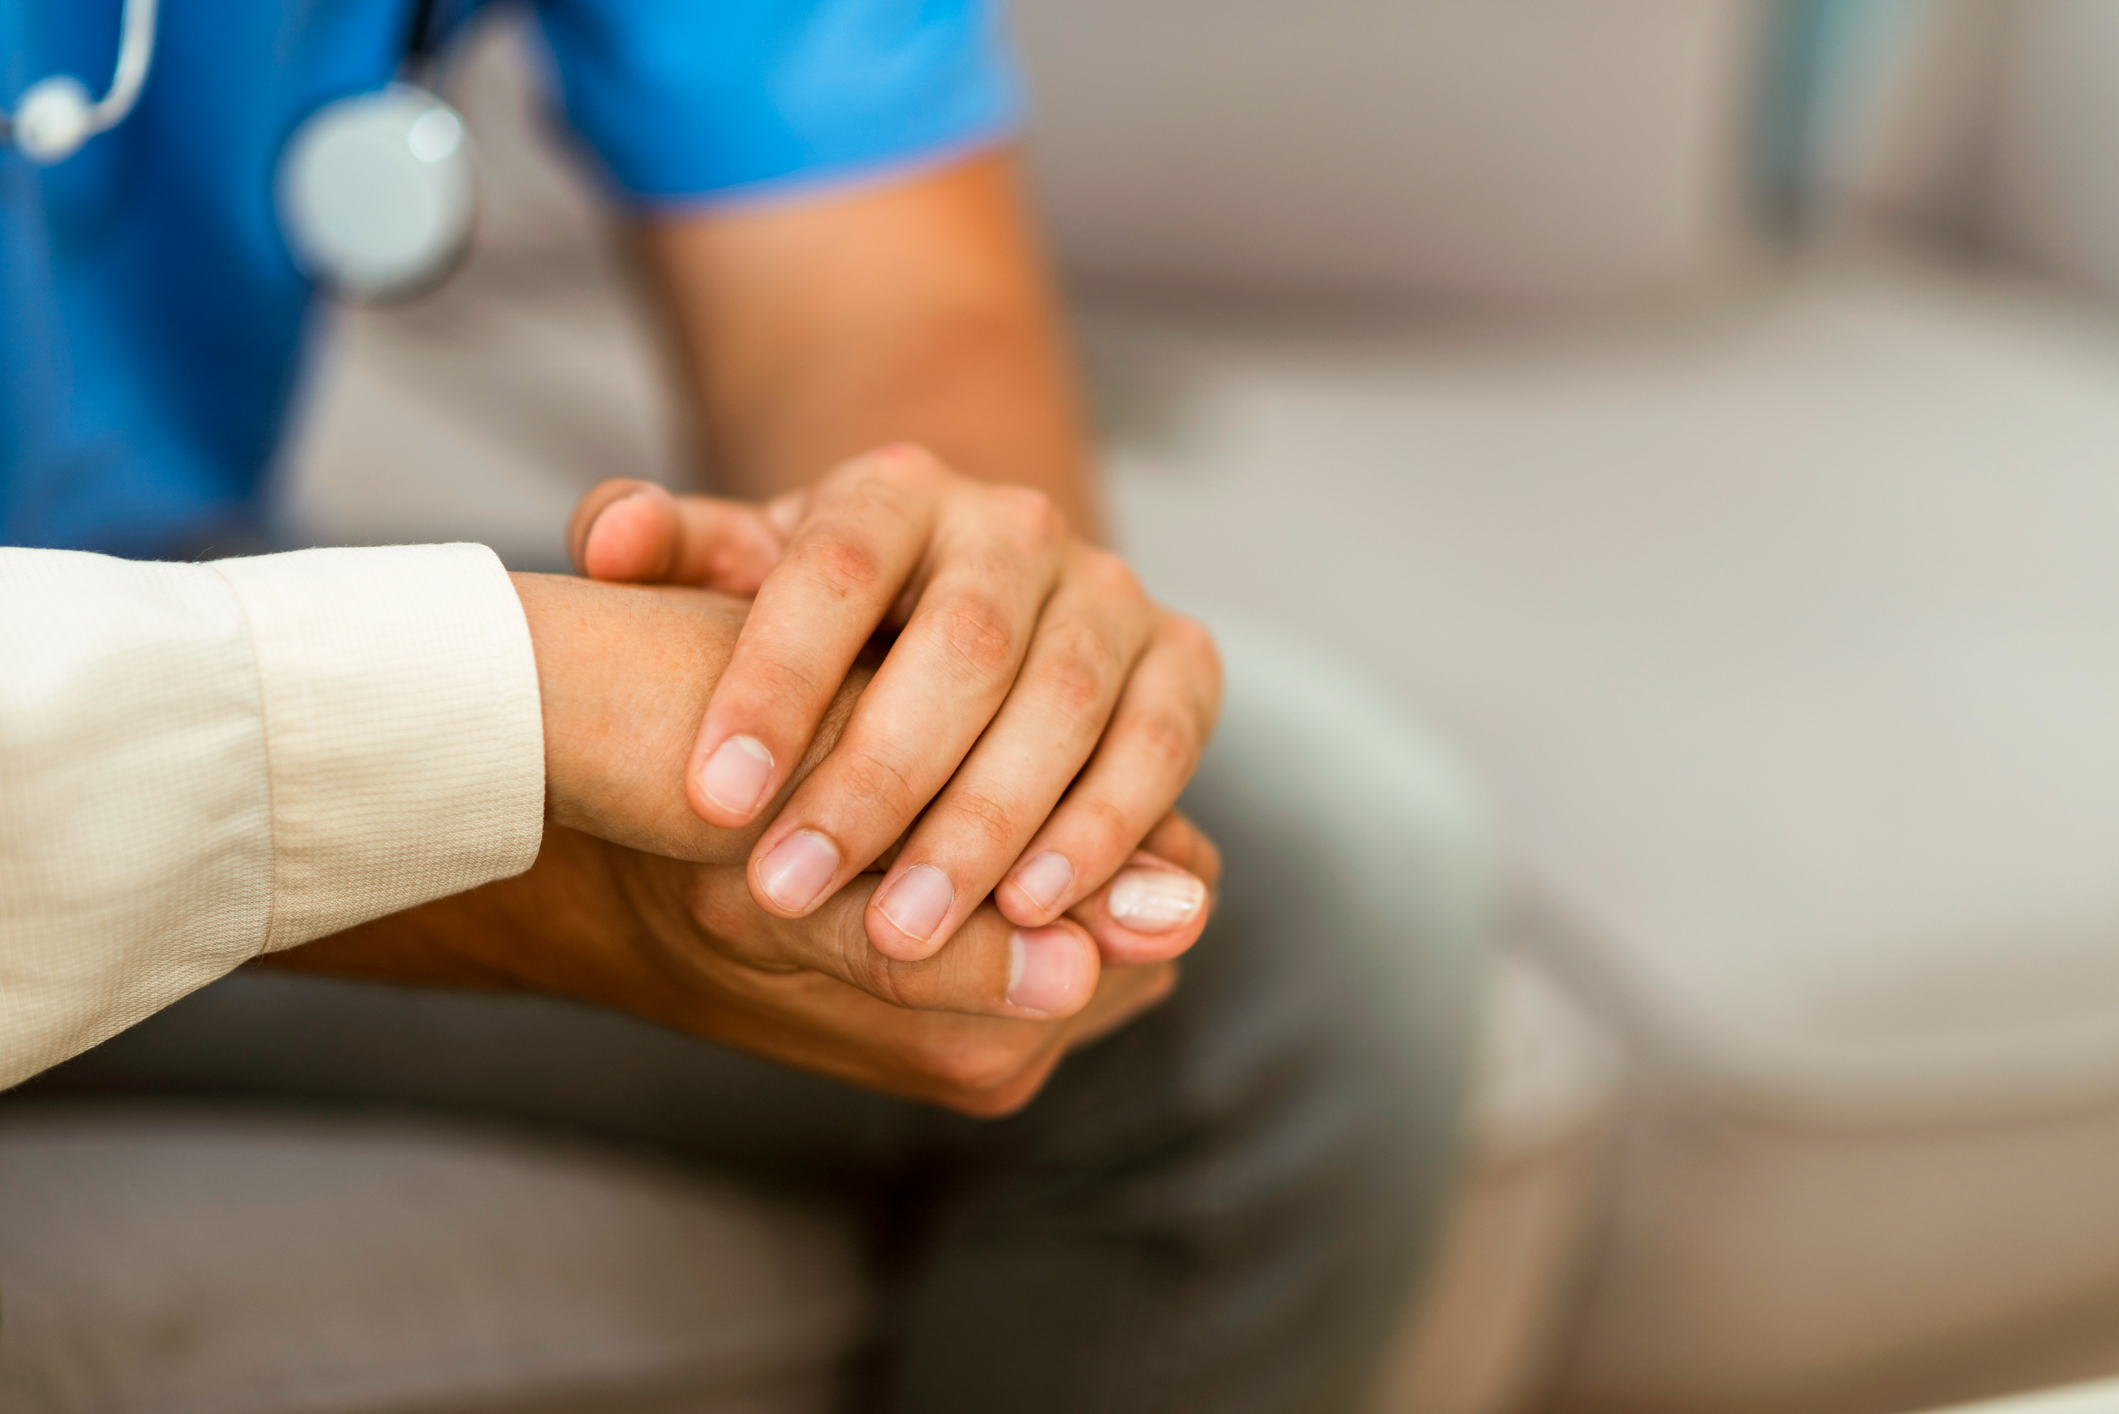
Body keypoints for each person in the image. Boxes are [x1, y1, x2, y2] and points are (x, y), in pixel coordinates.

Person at [2, 1, 1486, 1408]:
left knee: (1305, 899)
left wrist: (918, 651)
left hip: (157, 573)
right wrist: (560, 834)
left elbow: (881, 306)